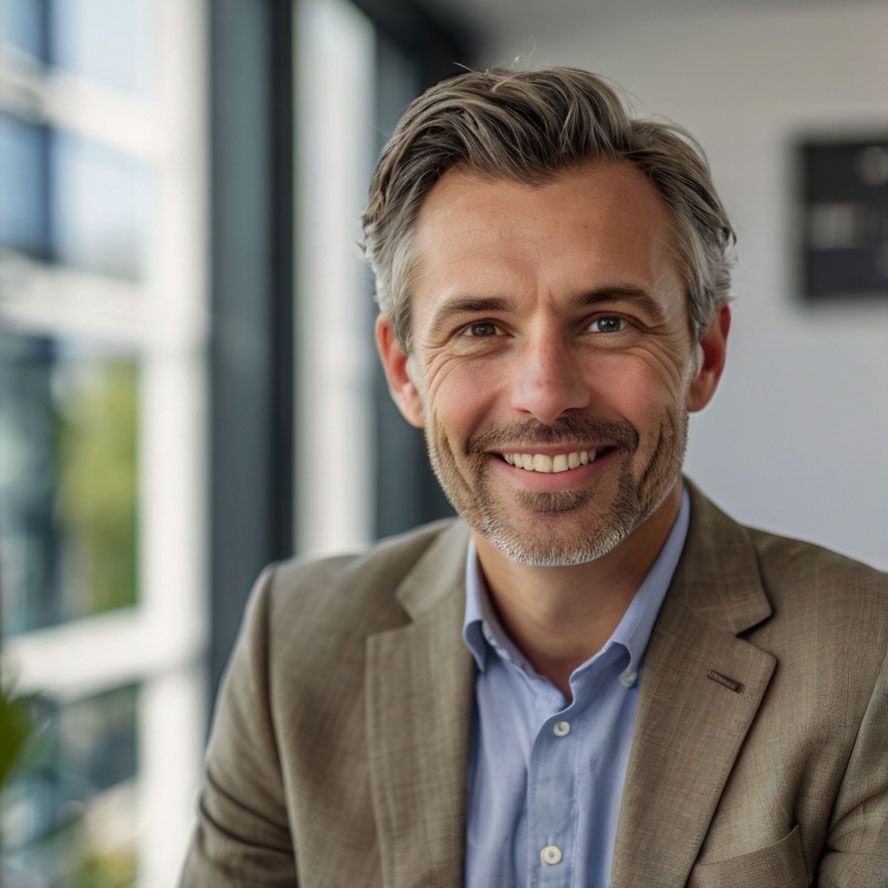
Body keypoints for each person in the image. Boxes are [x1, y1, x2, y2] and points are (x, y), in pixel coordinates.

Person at [180, 68, 888, 887]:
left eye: (608, 321)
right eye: (482, 328)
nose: (546, 393)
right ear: (405, 373)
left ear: (705, 355)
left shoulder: (866, 663)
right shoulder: (293, 648)